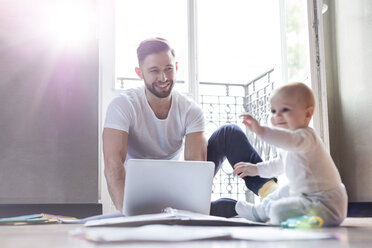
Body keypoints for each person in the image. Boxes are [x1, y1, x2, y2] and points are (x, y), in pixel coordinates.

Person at [102, 37, 277, 217]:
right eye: (154, 71)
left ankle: (274, 197)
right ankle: (229, 210)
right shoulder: (123, 105)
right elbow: (112, 164)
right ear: (140, 73)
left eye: (168, 69)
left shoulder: (190, 109)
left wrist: (192, 206)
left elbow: (196, 168)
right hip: (138, 191)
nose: (163, 78)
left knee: (229, 133)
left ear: (176, 67)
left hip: (177, 186)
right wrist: (126, 214)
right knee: (225, 209)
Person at [234, 82, 348, 226]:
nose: (278, 116)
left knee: (277, 210)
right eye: (273, 111)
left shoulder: (306, 137)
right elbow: (278, 165)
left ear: (307, 114)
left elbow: (290, 140)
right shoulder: (289, 142)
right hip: (305, 195)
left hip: (325, 204)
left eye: (285, 109)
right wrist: (256, 169)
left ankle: (279, 216)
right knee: (282, 191)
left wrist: (262, 131)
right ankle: (258, 212)